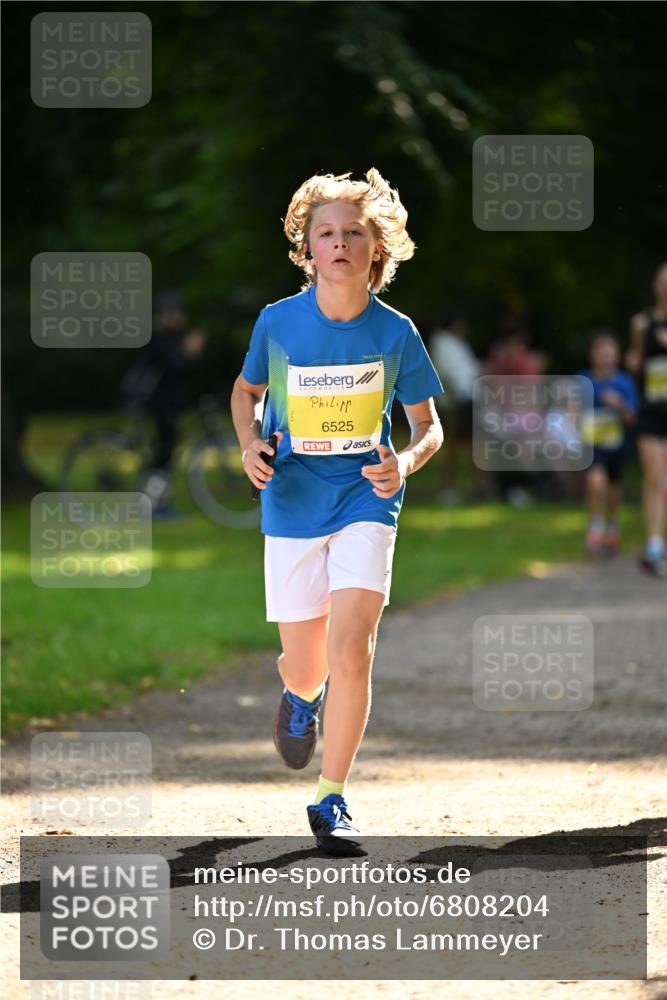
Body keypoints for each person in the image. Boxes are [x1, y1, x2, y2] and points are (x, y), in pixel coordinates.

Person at [230, 169, 444, 853]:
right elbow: (245, 393)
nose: (340, 243)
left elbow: (429, 426)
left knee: (353, 646)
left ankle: (331, 797)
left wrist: (402, 463)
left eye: (354, 232)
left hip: (365, 497)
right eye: (326, 233)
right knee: (306, 661)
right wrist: (249, 444)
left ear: (376, 248)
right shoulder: (277, 321)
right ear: (307, 250)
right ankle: (300, 698)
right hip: (292, 498)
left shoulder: (396, 332)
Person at [122, 291, 206, 517]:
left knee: (164, 452)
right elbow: (175, 365)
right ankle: (153, 504)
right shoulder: (158, 337)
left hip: (164, 404)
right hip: (157, 404)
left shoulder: (164, 336)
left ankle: (156, 500)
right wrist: (189, 350)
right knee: (163, 453)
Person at [577, 330, 638, 556]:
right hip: (592, 444)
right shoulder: (583, 380)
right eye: (602, 353)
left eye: (611, 353)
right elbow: (571, 409)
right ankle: (594, 526)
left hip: (616, 444)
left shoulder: (624, 382)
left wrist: (619, 405)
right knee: (596, 483)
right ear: (592, 355)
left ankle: (612, 524)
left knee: (613, 489)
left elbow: (632, 418)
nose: (607, 358)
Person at [626, 261, 667, 576]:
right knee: (654, 478)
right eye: (662, 281)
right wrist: (633, 361)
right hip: (652, 410)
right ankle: (654, 544)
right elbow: (637, 366)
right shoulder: (642, 324)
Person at [428, 309, 482, 503]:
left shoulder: (459, 344)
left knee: (472, 444)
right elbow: (446, 374)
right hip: (454, 402)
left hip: (469, 398)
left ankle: (478, 487)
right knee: (451, 445)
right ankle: (448, 487)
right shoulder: (441, 343)